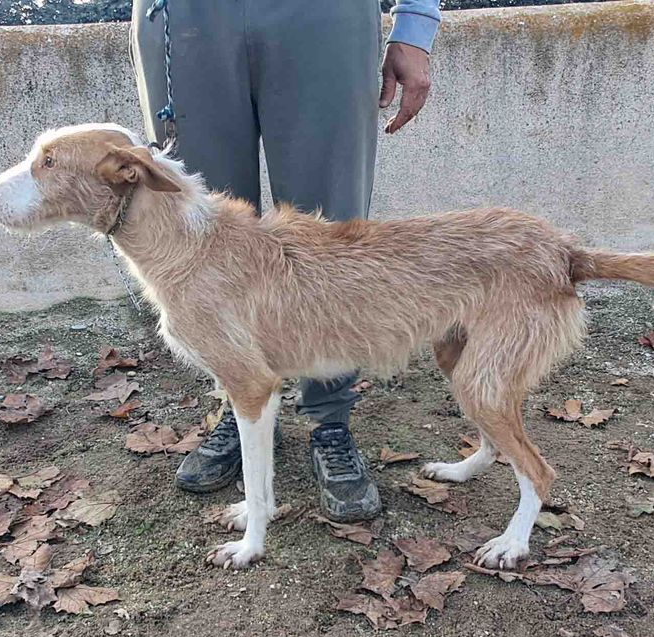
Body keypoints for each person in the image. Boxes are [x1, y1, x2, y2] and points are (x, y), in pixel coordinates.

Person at [131, 0, 440, 523]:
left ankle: (331, 419)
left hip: (322, 16)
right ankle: (243, 401)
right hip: (184, 19)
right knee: (201, 230)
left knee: (331, 238)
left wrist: (416, 23)